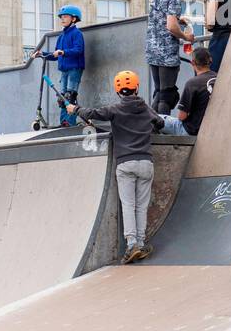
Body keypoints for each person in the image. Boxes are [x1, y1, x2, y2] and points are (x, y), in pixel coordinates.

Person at [68, 71, 165, 263]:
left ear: (118, 90)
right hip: (146, 162)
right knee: (141, 206)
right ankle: (141, 242)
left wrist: (75, 108)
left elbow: (92, 114)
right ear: (137, 88)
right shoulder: (146, 109)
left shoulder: (115, 109)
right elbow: (160, 122)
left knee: (128, 205)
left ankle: (132, 246)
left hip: (125, 163)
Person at [146, 0, 198, 115]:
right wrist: (186, 36)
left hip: (152, 49)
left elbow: (160, 19)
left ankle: (152, 126)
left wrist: (177, 19)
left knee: (159, 91)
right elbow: (171, 27)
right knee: (167, 95)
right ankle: (163, 128)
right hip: (167, 51)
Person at [35, 4, 86, 109]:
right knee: (62, 99)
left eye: (65, 16)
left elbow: (78, 50)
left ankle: (71, 122)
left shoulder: (77, 33)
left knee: (70, 97)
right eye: (61, 17)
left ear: (74, 18)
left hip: (74, 68)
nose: (62, 19)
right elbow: (55, 55)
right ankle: (64, 122)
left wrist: (63, 52)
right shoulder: (61, 36)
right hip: (64, 70)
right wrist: (42, 54)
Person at [160, 47, 216, 136]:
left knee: (155, 119)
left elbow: (181, 117)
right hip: (214, 128)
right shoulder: (220, 78)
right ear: (211, 60)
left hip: (191, 131)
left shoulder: (192, 83)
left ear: (192, 62)